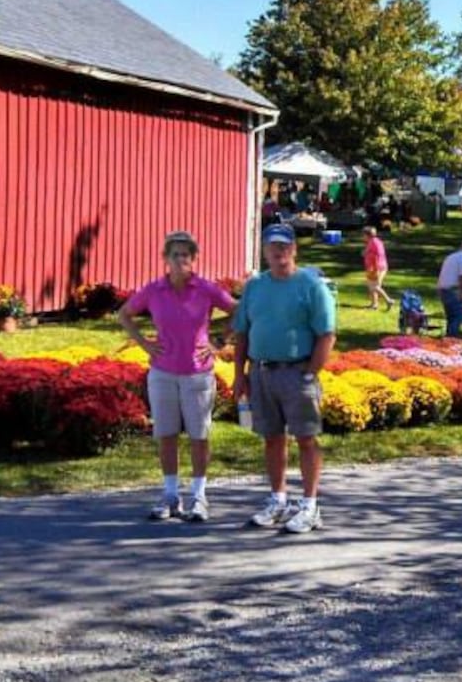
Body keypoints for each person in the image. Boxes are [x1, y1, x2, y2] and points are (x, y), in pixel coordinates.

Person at [118, 230, 237, 523]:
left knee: (199, 435)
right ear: (166, 259)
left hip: (198, 374)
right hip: (162, 373)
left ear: (194, 259)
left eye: (186, 254)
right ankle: (170, 494)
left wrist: (219, 343)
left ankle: (199, 495)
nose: (181, 259)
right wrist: (144, 344)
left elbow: (240, 310)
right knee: (166, 434)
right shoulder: (154, 290)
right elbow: (124, 314)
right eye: (175, 254)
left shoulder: (206, 289)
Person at [232, 224, 338, 534]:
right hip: (262, 372)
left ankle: (309, 506)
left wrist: (311, 372)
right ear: (264, 251)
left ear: (294, 250)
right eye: (272, 247)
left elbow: (327, 334)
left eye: (284, 246)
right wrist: (240, 375)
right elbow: (242, 333)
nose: (278, 252)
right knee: (272, 438)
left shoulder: (310, 285)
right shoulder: (255, 287)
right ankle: (278, 501)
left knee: (306, 438)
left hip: (297, 372)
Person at [436, 241, 462, 338]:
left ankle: (448, 337)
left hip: (443, 289)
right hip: (453, 290)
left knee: (450, 316)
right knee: (458, 315)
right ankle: (452, 337)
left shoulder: (451, 256)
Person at [362, 227, 393, 311]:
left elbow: (377, 255)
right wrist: (365, 253)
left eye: (363, 235)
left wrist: (375, 268)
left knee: (375, 286)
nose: (362, 237)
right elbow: (370, 252)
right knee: (371, 285)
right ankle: (374, 304)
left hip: (377, 267)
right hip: (372, 267)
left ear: (367, 235)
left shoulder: (375, 242)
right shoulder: (372, 242)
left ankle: (388, 300)